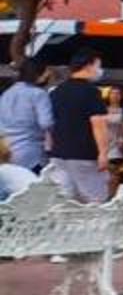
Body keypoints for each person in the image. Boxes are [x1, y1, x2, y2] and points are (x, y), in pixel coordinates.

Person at [44, 51, 116, 204]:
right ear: (88, 66)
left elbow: (50, 125)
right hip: (84, 155)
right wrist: (103, 153)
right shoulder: (91, 93)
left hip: (59, 155)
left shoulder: (56, 92)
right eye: (98, 66)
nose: (99, 70)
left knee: (64, 200)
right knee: (95, 200)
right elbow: (98, 124)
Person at [0, 57, 55, 174]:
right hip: (31, 152)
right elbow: (46, 123)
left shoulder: (6, 94)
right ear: (39, 74)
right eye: (46, 73)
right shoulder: (38, 94)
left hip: (7, 150)